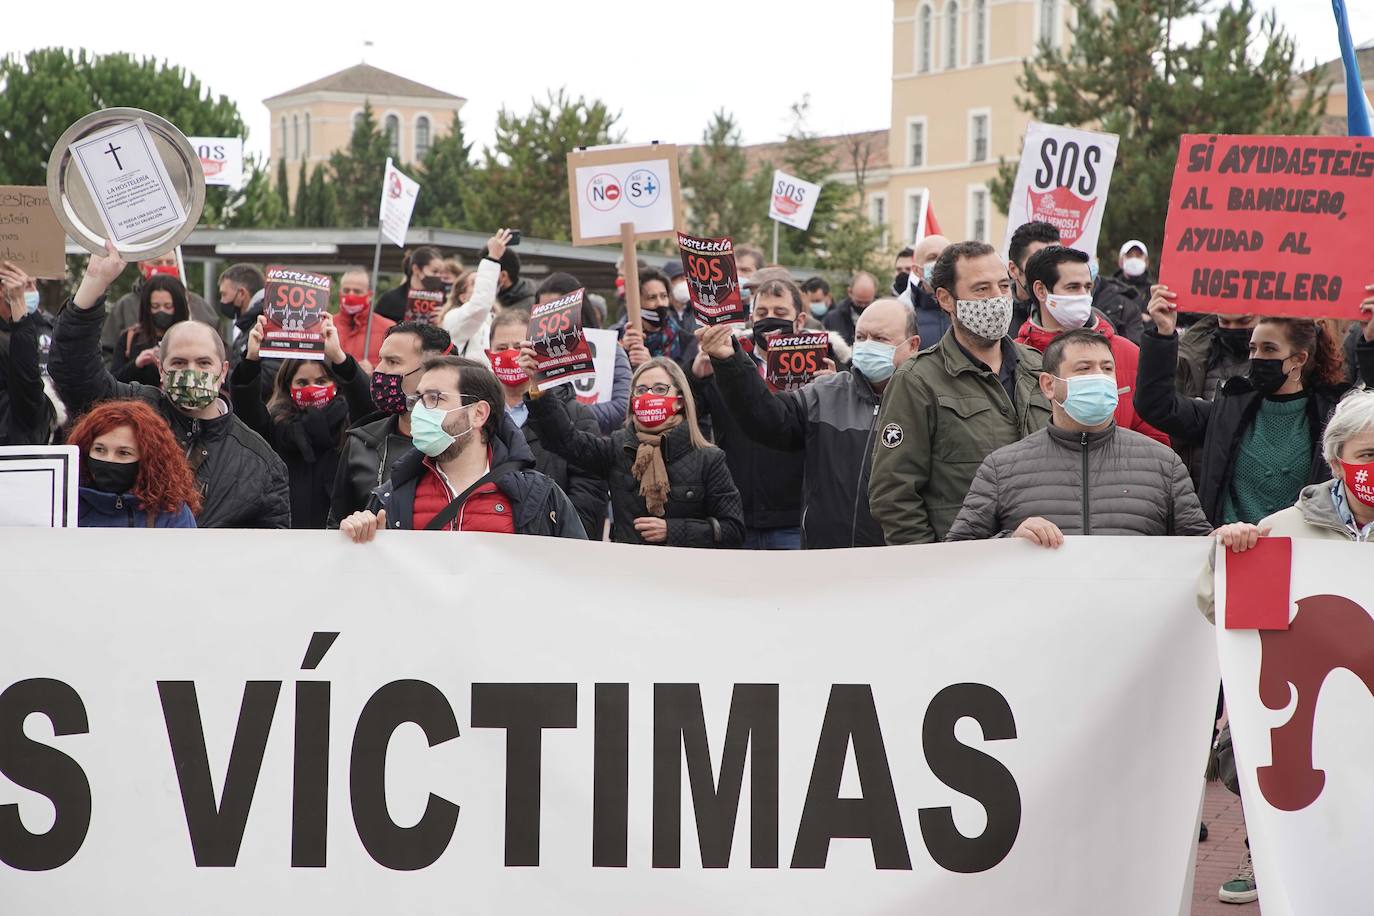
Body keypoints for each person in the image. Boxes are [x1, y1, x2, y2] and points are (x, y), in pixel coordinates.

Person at [50, 242, 290, 529]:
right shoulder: (131, 409)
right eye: (178, 363)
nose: (191, 372)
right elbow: (74, 371)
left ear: (223, 370)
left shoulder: (259, 462)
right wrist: (94, 283)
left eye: (203, 363)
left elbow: (272, 551)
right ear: (161, 371)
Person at [1134, 286, 1374, 526]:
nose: (1256, 357)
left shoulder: (1332, 415)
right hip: (1232, 549)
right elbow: (1157, 406)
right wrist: (1163, 334)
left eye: (1269, 348)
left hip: (1306, 552)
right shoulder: (1227, 411)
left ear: (1299, 359)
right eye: (1253, 348)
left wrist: (1371, 341)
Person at [946, 328, 1211, 543]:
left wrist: (1224, 540)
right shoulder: (1001, 468)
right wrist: (1010, 541)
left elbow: (1200, 549)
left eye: (1107, 369)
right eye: (1084, 369)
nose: (1099, 377)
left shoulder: (1164, 464)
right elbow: (958, 555)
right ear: (1049, 385)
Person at [696, 297, 920, 548]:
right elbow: (767, 419)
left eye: (880, 339)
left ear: (912, 345)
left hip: (898, 565)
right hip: (823, 559)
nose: (867, 346)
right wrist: (730, 360)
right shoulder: (825, 393)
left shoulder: (927, 403)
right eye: (860, 337)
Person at [869, 240, 1052, 545]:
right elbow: (893, 493)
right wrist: (932, 564)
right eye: (981, 289)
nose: (996, 299)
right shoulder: (918, 380)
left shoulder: (1038, 367)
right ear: (945, 299)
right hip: (963, 567)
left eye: (1003, 286)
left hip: (1044, 557)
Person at [339, 356, 587, 541]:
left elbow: (572, 579)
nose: (421, 411)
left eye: (435, 398)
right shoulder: (390, 496)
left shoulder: (540, 496)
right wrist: (360, 538)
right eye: (419, 399)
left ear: (478, 414)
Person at [517, 351, 744, 548]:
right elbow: (564, 440)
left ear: (680, 401)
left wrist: (671, 530)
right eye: (641, 390)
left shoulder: (709, 459)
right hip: (628, 577)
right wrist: (540, 388)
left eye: (659, 389)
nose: (648, 396)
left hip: (685, 581)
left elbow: (733, 530)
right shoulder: (617, 448)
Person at [691, 275, 820, 549]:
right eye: (762, 313)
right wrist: (697, 379)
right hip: (737, 514)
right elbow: (691, 419)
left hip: (793, 519)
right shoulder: (723, 363)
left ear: (800, 320)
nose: (770, 319)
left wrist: (831, 389)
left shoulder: (825, 366)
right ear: (751, 318)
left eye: (780, 312)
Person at [232, 313, 375, 529]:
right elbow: (247, 410)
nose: (312, 387)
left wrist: (338, 357)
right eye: (302, 382)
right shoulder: (275, 427)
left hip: (339, 536)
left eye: (320, 381)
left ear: (334, 384)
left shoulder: (351, 425)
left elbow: (368, 405)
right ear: (288, 387)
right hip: (286, 537)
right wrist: (251, 360)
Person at [1016, 245, 1167, 444]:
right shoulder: (1016, 356)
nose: (1083, 296)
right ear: (1041, 290)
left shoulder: (1127, 352)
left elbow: (1155, 435)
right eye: (1073, 287)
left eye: (1087, 287)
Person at [487, 309, 609, 539]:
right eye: (502, 348)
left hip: (553, 547)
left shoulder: (576, 416)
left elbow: (589, 494)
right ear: (488, 354)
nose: (512, 354)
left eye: (519, 347)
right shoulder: (477, 416)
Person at [328, 320, 452, 526]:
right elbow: (336, 523)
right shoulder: (361, 442)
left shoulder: (462, 442)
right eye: (380, 360)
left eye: (393, 362)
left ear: (433, 369)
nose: (379, 371)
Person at [68, 399, 199, 528]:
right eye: (99, 450)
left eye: (123, 453)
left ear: (147, 460)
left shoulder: (172, 514)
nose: (109, 459)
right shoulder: (64, 507)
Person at [534, 271, 631, 433]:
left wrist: (567, 415)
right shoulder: (529, 354)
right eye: (543, 311)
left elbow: (623, 406)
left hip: (596, 444)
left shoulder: (609, 349)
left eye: (557, 311)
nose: (551, 319)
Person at [100, 252, 218, 365]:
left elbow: (217, 350)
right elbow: (107, 353)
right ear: (142, 267)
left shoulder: (197, 304)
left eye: (170, 262)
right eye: (157, 263)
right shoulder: (125, 306)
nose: (165, 267)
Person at [0, 261, 61, 445]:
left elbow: (28, 386)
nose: (33, 291)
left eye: (33, 284)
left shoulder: (46, 326)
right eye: (26, 285)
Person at [441, 229, 515, 363]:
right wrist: (492, 258)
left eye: (482, 281)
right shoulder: (453, 319)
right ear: (462, 297)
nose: (483, 286)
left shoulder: (498, 320)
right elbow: (479, 305)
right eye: (475, 283)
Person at [112, 273, 189, 386]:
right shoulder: (131, 338)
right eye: (155, 306)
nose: (161, 311)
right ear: (147, 307)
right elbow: (113, 382)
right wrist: (137, 363)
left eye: (168, 306)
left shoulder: (192, 339)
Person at [1089, 239, 1150, 343]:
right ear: (1120, 261)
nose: (1134, 259)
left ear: (1146, 261)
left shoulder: (1153, 291)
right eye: (1129, 255)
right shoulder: (1107, 290)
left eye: (1138, 256)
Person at [1007, 220, 1061, 334]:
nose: (1050, 271)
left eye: (1057, 262)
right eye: (1038, 262)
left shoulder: (1083, 317)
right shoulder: (997, 318)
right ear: (1013, 270)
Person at [334, 268, 392, 372]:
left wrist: (374, 370)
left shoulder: (388, 329)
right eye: (346, 291)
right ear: (339, 292)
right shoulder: (327, 326)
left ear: (369, 296)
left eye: (357, 291)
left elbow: (397, 366)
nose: (350, 296)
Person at [900, 233, 953, 344]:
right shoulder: (903, 311)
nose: (940, 263)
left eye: (945, 257)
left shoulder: (967, 304)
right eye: (932, 257)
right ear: (917, 270)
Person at [375, 246, 444, 323]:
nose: (439, 276)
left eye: (441, 273)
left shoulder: (444, 301)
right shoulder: (390, 300)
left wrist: (443, 321)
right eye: (434, 271)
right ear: (416, 269)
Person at [218, 263, 266, 370]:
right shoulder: (248, 324)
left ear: (241, 294)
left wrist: (219, 374)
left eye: (224, 294)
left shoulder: (261, 326)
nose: (222, 301)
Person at [822, 271, 878, 346]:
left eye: (867, 303)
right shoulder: (832, 318)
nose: (862, 306)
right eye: (859, 302)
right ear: (850, 292)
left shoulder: (881, 318)